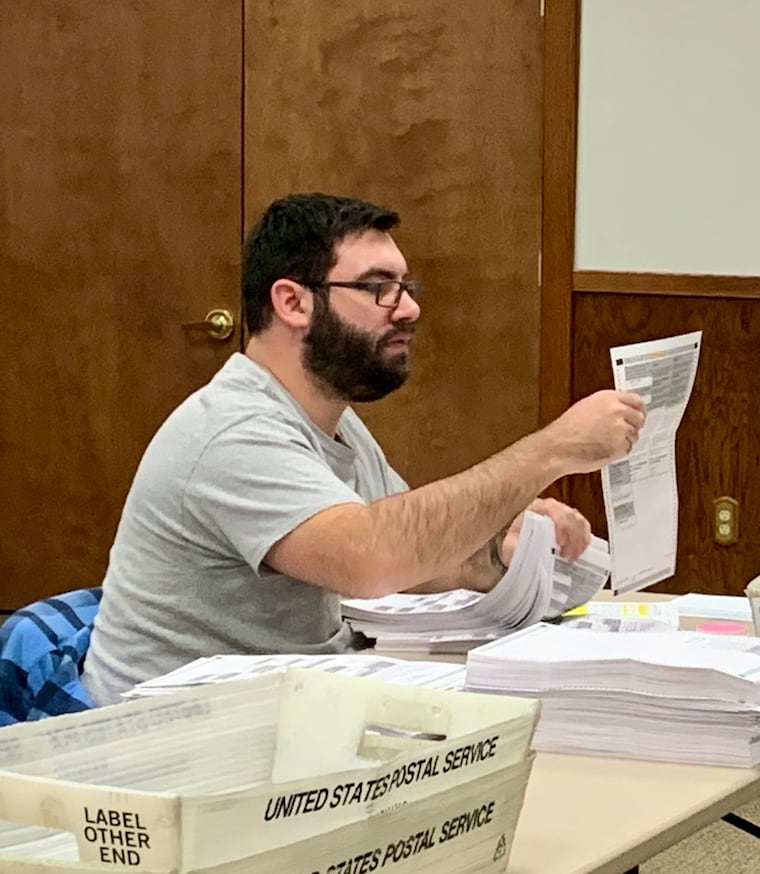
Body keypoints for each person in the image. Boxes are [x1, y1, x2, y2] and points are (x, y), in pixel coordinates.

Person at [82, 193, 646, 701]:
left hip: (272, 717)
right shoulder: (234, 431)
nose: (408, 308)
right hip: (167, 749)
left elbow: (413, 558)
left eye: (406, 287)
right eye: (378, 288)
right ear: (293, 303)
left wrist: (499, 548)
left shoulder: (331, 421)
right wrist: (552, 450)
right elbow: (371, 560)